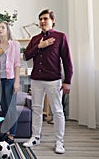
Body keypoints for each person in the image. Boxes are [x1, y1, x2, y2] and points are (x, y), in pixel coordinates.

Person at [22, 9, 73, 154]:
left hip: (53, 80)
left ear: (53, 21)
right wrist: (39, 46)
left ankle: (59, 142)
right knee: (36, 109)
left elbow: (67, 61)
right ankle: (35, 137)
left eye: (45, 19)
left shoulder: (61, 37)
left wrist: (68, 80)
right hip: (36, 80)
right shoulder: (35, 39)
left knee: (57, 111)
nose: (42, 21)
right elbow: (26, 56)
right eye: (40, 19)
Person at [0, 21, 21, 144]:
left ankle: (12, 135)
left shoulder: (14, 44)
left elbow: (17, 63)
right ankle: (6, 132)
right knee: (4, 107)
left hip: (10, 79)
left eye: (2, 27)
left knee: (11, 108)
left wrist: (17, 81)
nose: (0, 29)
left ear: (7, 30)